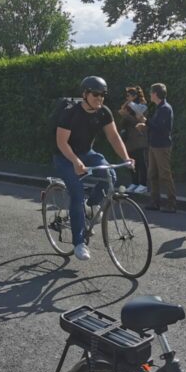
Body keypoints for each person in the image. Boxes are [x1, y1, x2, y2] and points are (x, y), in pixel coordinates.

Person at [54, 76, 135, 261]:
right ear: (85, 94)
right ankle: (79, 243)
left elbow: (114, 137)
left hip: (86, 153)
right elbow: (61, 142)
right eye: (96, 94)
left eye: (103, 95)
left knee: (110, 175)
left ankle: (91, 207)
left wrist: (126, 158)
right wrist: (75, 161)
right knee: (76, 193)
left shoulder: (103, 112)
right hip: (65, 157)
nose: (100, 98)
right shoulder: (70, 112)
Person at [142, 83, 176, 212]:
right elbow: (156, 126)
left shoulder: (165, 109)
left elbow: (161, 128)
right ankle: (155, 202)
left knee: (165, 175)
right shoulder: (160, 108)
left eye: (151, 92)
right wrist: (146, 125)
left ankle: (172, 204)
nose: (150, 95)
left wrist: (146, 121)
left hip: (162, 146)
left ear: (156, 94)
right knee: (152, 174)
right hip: (154, 145)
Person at [118, 86, 149, 194]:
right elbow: (123, 123)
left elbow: (139, 122)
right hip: (129, 139)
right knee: (131, 161)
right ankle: (134, 182)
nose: (127, 98)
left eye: (129, 96)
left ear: (135, 96)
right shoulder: (128, 106)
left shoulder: (142, 107)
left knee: (141, 162)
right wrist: (123, 114)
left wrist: (126, 116)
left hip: (139, 138)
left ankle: (143, 184)